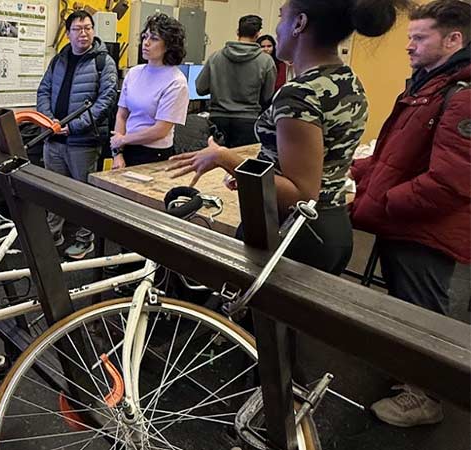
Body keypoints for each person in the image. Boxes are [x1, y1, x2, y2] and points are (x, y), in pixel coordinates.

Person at [168, 0, 412, 276]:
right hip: (329, 225)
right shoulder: (347, 79)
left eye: (283, 17)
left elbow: (302, 194)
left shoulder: (299, 94)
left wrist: (224, 158)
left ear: (299, 24)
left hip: (294, 233)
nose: (276, 28)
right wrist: (253, 177)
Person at [350, 0, 470, 427]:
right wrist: (356, 169)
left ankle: (426, 396)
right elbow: (398, 156)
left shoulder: (462, 95)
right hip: (403, 220)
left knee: (423, 311)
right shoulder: (430, 85)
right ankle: (409, 377)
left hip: (424, 227)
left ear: (453, 40)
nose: (409, 46)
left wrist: (383, 202)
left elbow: (450, 182)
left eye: (419, 38)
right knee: (405, 304)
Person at [36, 10, 118, 259]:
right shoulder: (59, 59)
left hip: (83, 141)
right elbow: (43, 90)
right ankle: (53, 234)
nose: (83, 33)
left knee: (83, 194)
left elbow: (106, 101)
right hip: (54, 139)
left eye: (88, 28)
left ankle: (85, 240)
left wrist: (73, 126)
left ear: (93, 30)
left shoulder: (104, 62)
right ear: (69, 33)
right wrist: (49, 121)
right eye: (77, 29)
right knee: (53, 191)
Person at [110, 13, 189, 168]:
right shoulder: (134, 73)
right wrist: (117, 153)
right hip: (126, 148)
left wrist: (123, 139)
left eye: (154, 39)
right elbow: (122, 115)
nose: (146, 43)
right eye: (145, 37)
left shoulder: (176, 82)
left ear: (169, 45)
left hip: (154, 154)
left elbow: (160, 130)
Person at [195, 15, 277, 147]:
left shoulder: (215, 57)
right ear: (257, 34)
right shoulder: (266, 61)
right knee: (239, 165)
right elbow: (267, 97)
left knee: (214, 165)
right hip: (248, 123)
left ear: (237, 32)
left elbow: (200, 88)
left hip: (217, 121)